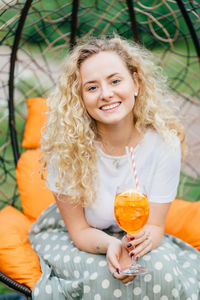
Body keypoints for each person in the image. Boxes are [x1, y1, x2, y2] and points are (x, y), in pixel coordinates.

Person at [29, 36, 200, 299]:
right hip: (83, 235)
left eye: (115, 81)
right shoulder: (67, 149)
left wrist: (134, 245)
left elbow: (154, 227)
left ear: (136, 83)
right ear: (80, 97)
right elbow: (80, 231)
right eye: (92, 87)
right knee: (104, 277)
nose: (106, 93)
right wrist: (111, 245)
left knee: (160, 270)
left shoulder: (164, 144)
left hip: (135, 237)